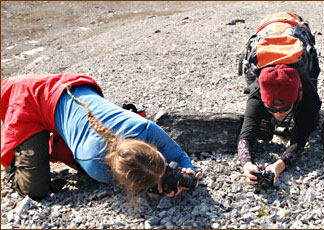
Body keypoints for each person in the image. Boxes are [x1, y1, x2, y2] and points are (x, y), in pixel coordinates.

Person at [1, 73, 201, 200]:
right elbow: (132, 178)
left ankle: (45, 141)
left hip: (68, 90)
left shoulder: (146, 129)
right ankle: (15, 165)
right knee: (34, 189)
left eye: (165, 167)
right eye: (165, 166)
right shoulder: (96, 165)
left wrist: (188, 171)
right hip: (27, 99)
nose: (168, 168)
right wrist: (156, 188)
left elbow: (179, 155)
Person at [237, 12, 322, 185]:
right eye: (272, 109)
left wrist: (279, 165)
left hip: (292, 24)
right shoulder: (258, 92)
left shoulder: (307, 95)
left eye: (284, 109)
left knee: (311, 122)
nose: (278, 114)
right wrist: (246, 164)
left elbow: (300, 139)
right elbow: (245, 136)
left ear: (297, 97)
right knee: (259, 123)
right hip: (267, 31)